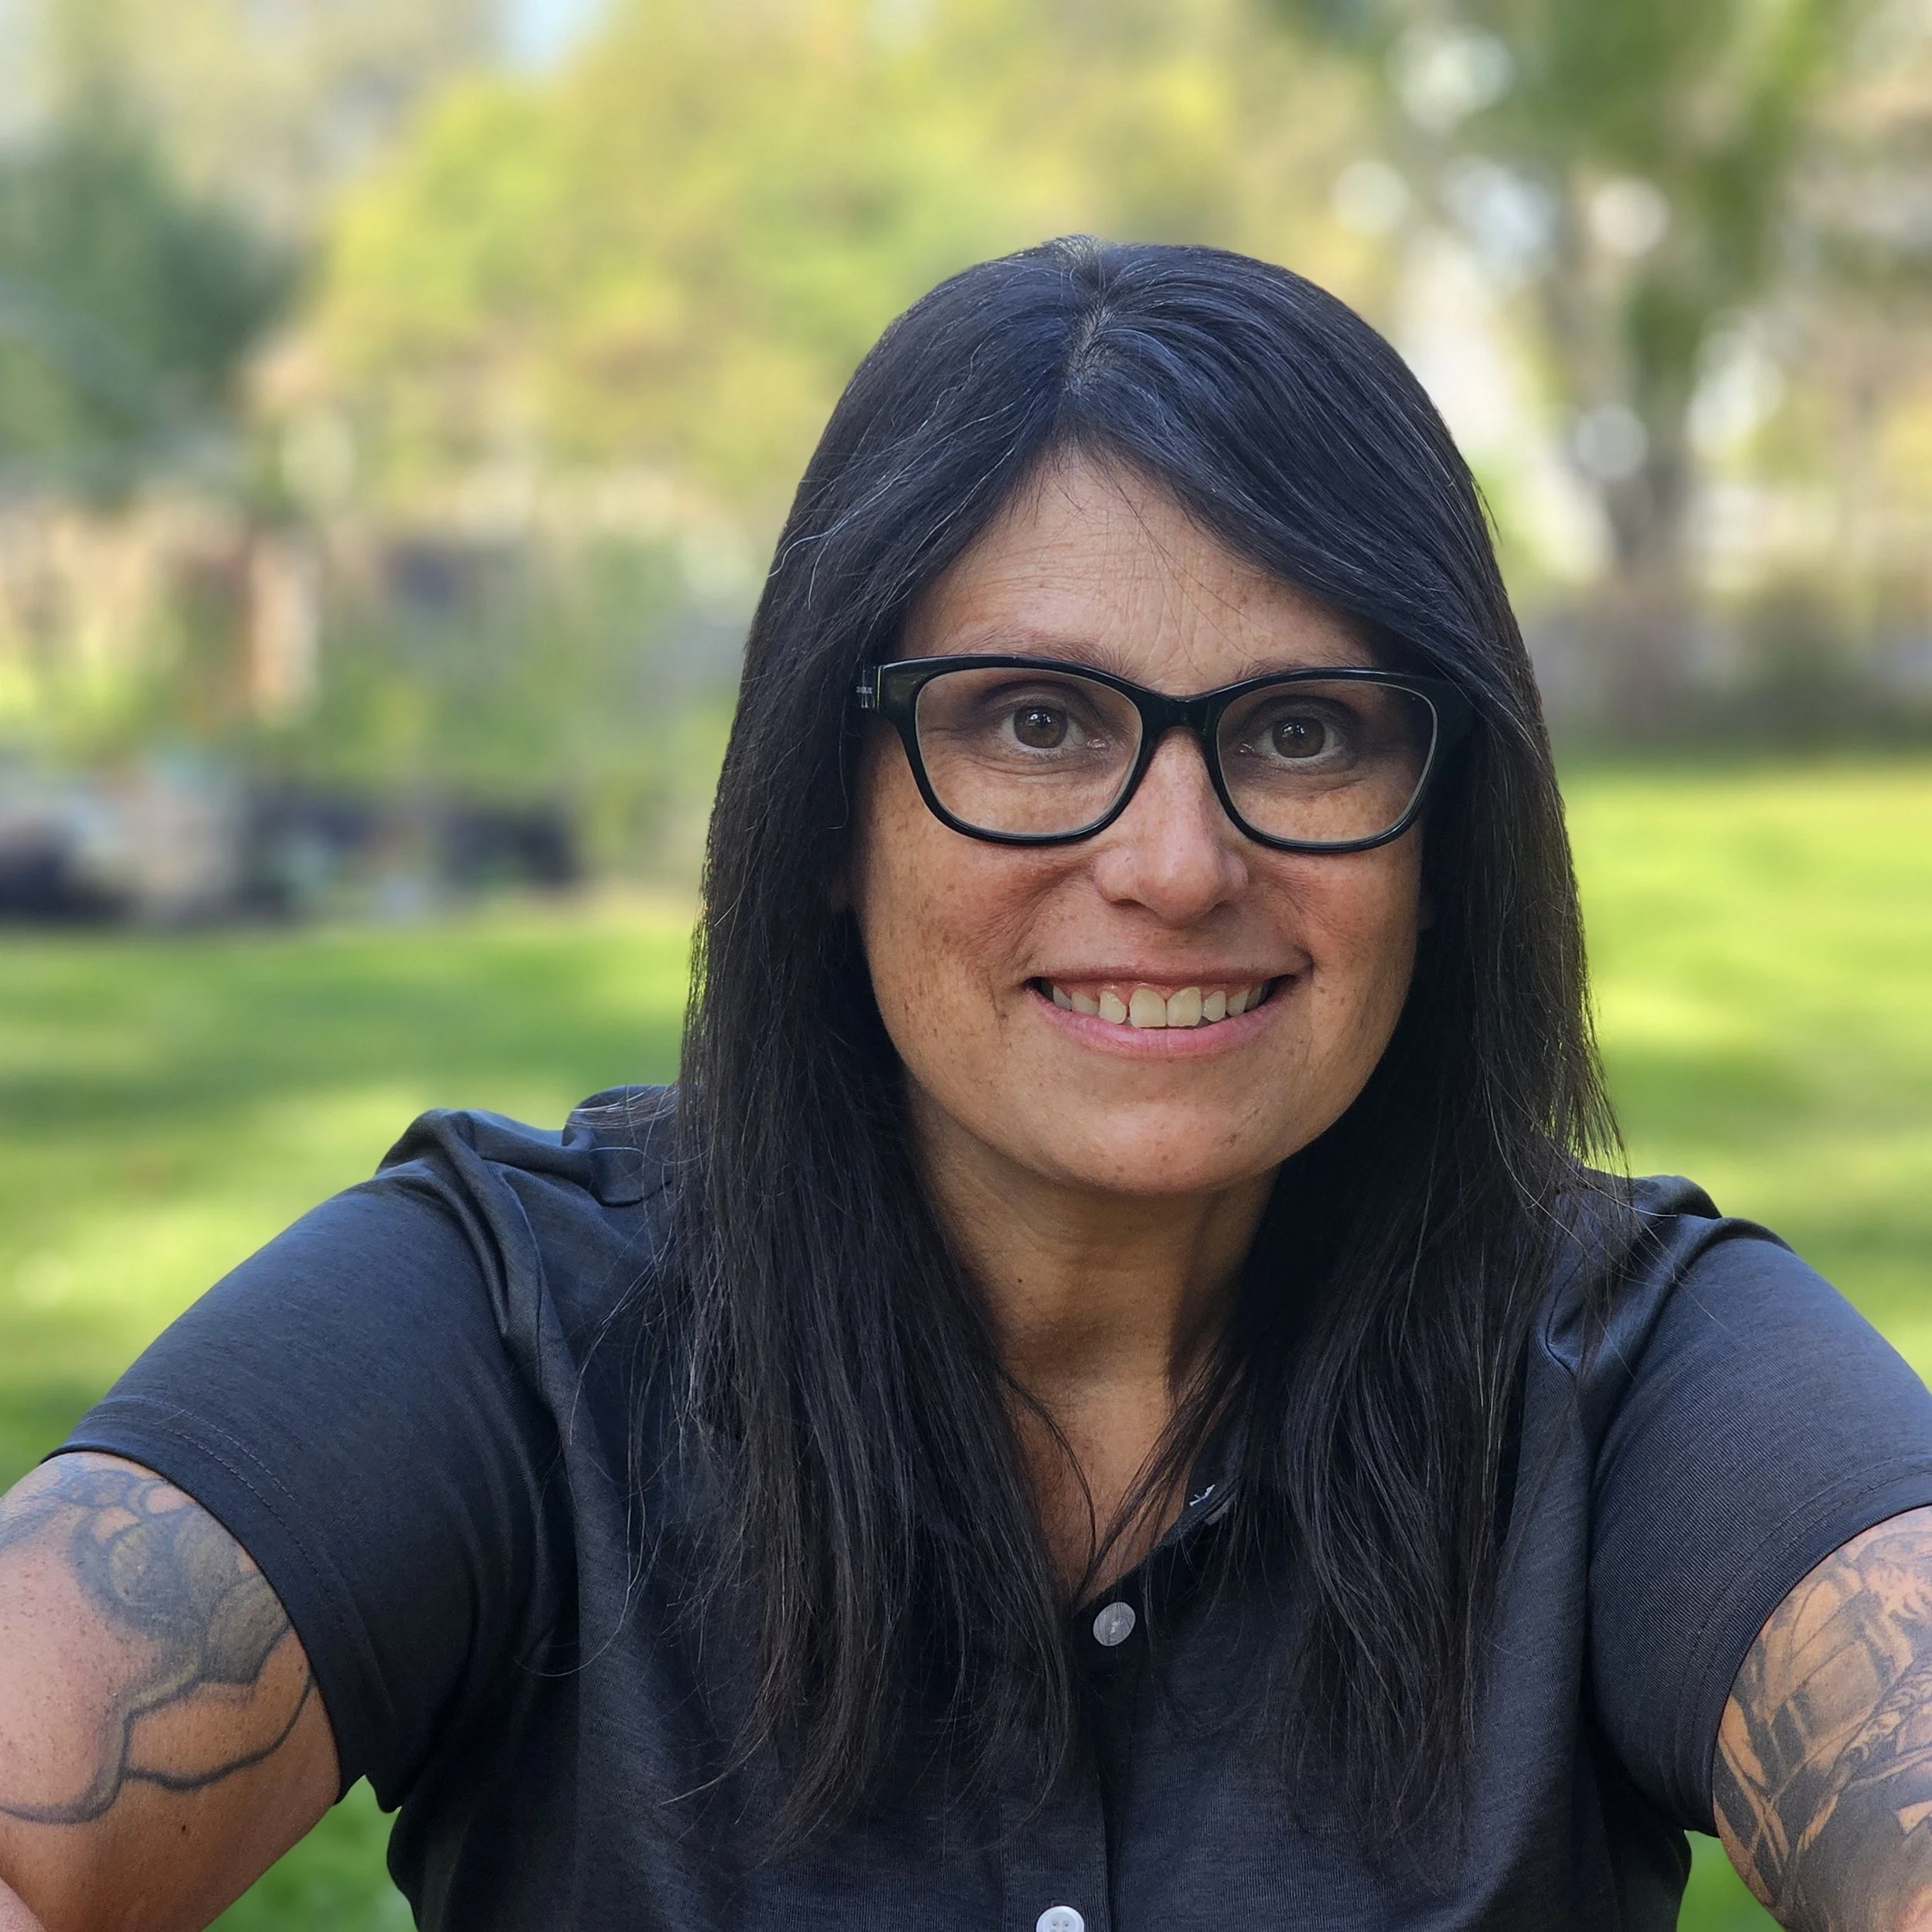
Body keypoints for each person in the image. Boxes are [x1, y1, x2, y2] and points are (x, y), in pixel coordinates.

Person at [2, 238, 1929, 1932]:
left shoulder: (1640, 1379)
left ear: (1444, 831)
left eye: (1303, 729)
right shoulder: (501, 1331)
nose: (1176, 862)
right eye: (1031, 718)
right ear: (825, 808)